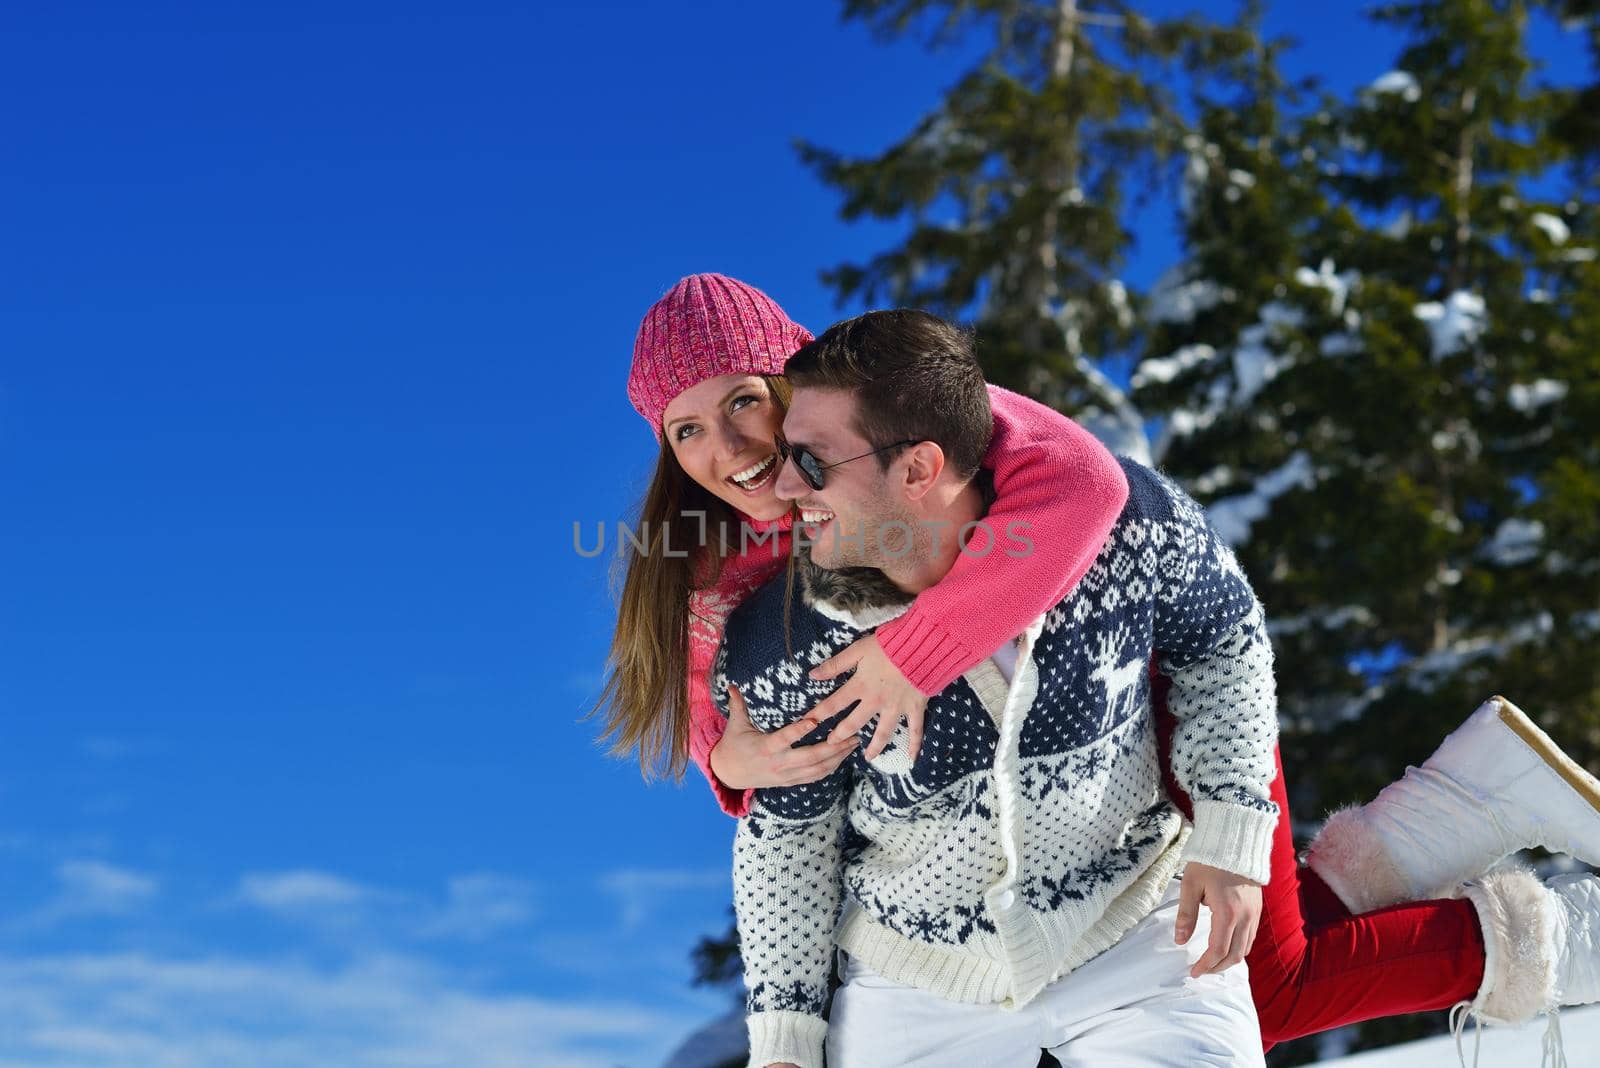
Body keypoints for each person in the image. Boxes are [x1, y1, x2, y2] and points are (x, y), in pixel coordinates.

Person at [594, 275, 1600, 1064]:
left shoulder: (896, 412)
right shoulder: (708, 580)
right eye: (688, 431)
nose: (731, 449)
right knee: (1245, 956)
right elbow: (747, 754)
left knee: (1261, 985)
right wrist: (738, 768)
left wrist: (915, 648)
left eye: (745, 403)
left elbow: (1084, 481)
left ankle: (1554, 934)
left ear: (794, 380)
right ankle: (1454, 807)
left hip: (1148, 710)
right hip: (1027, 826)